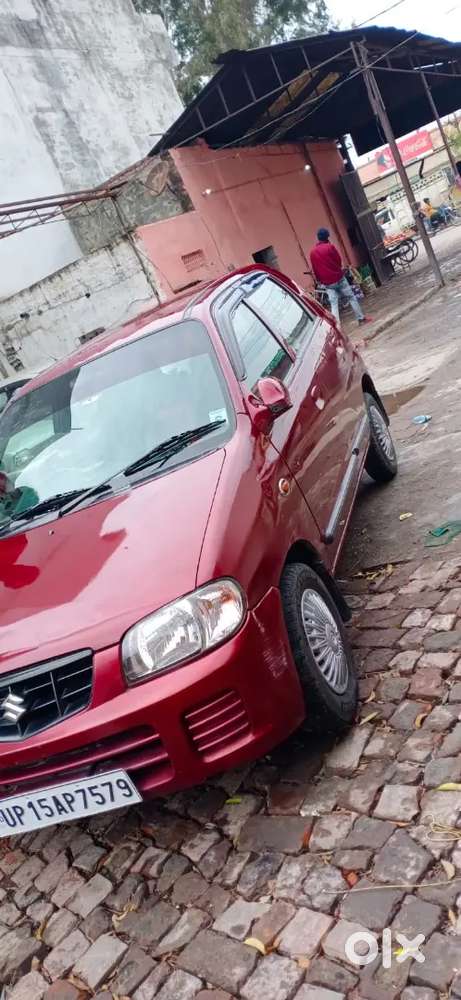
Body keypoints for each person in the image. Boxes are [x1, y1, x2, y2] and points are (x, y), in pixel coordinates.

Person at [310, 228, 372, 327]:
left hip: (328, 283)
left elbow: (315, 269)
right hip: (339, 278)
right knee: (351, 297)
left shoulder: (312, 253)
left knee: (334, 304)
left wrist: (320, 281)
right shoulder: (330, 247)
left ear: (318, 238)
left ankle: (337, 327)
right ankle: (361, 319)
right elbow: (338, 261)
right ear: (327, 237)